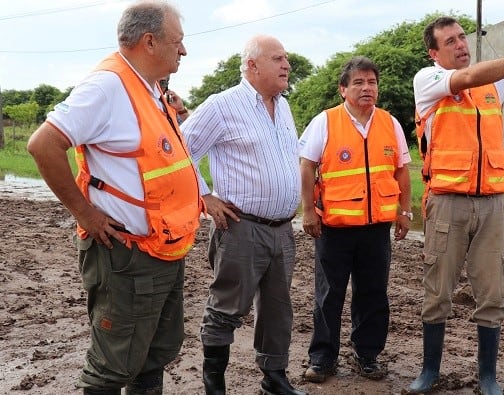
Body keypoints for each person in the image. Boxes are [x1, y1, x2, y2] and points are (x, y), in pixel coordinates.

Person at [26, 1, 202, 394]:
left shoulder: (150, 88)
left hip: (162, 250)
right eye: (180, 41)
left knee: (153, 356)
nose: (184, 50)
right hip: (127, 258)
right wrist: (85, 214)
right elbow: (43, 145)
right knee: (112, 366)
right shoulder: (107, 86)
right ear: (150, 41)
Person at [406, 16, 504, 395]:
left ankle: (488, 376)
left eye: (463, 37)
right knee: (438, 290)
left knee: (493, 292)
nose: (461, 44)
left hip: (492, 205)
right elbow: (466, 79)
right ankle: (429, 371)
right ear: (434, 53)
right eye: (451, 41)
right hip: (446, 204)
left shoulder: (494, 82)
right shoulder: (428, 81)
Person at [180, 35, 306, 395]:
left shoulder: (282, 105)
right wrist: (205, 196)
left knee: (278, 310)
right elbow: (179, 151)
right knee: (226, 307)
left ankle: (274, 378)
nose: (287, 65)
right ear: (253, 65)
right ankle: (214, 384)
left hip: (282, 230)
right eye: (278, 58)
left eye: (286, 58)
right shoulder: (222, 105)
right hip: (241, 228)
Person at [298, 56, 412, 383]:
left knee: (373, 294)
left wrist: (405, 212)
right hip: (333, 228)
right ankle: (322, 358)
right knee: (328, 295)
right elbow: (307, 166)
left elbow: (402, 171)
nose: (367, 88)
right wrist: (308, 211)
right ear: (343, 89)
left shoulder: (390, 123)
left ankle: (367, 355)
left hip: (377, 228)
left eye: (372, 82)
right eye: (359, 82)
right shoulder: (325, 121)